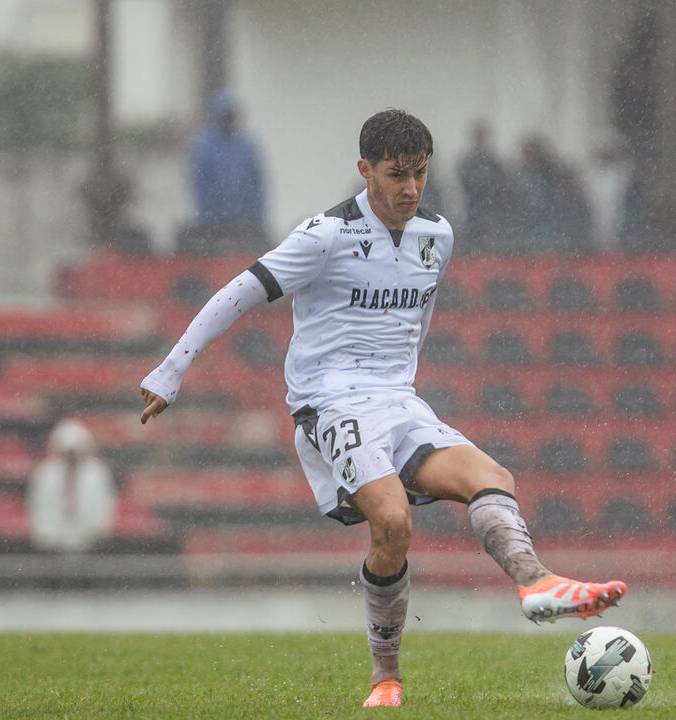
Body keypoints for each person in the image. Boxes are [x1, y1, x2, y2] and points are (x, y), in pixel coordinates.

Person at [139, 109, 626, 708]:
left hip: (399, 400)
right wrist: (172, 368)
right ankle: (385, 677)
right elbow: (238, 292)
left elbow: (413, 323)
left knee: (494, 478)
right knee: (393, 522)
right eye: (397, 174)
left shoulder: (437, 236)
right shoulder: (325, 235)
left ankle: (535, 583)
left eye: (420, 174)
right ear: (365, 170)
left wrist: (406, 388)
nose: (410, 189)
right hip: (329, 402)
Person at [179, 89, 268, 254]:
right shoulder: (203, 146)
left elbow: (257, 183)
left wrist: (256, 216)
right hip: (213, 223)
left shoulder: (247, 145)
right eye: (225, 115)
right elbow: (199, 185)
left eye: (232, 114)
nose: (229, 119)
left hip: (246, 222)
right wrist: (207, 217)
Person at [27, 418, 116, 552]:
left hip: (91, 543)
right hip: (52, 544)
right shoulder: (46, 474)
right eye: (68, 452)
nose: (72, 457)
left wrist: (96, 532)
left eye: (75, 452)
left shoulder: (97, 474)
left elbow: (106, 504)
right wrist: (46, 535)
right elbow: (38, 505)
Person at [456, 120, 520, 253]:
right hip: (474, 210)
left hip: (492, 211)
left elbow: (501, 184)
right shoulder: (467, 163)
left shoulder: (494, 162)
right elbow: (466, 184)